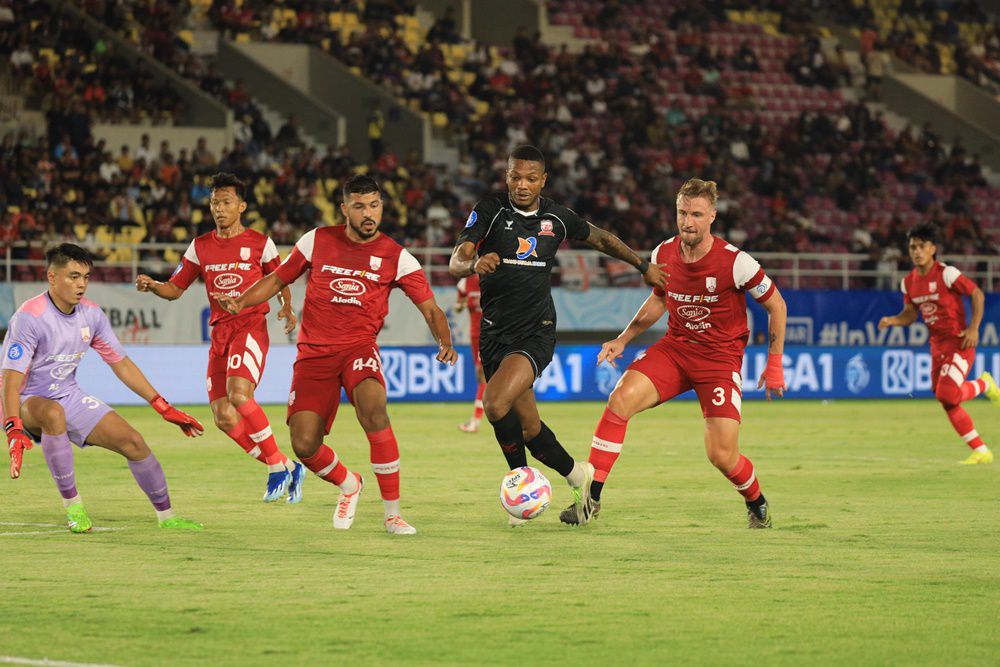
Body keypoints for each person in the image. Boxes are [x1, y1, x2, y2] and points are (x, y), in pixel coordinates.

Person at [214, 175, 458, 534]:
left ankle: (392, 514)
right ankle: (349, 484)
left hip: (359, 349)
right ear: (345, 209)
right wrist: (242, 300)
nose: (368, 213)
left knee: (374, 410)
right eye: (359, 206)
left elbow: (431, 308)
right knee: (304, 444)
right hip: (313, 356)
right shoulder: (317, 240)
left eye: (374, 205)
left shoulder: (396, 255)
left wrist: (445, 341)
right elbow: (278, 279)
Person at [448, 145, 666, 527]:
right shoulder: (490, 210)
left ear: (543, 180)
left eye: (531, 178)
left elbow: (600, 239)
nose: (522, 185)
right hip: (493, 334)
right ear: (507, 175)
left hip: (536, 333)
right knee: (529, 427)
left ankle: (520, 487)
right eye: (515, 176)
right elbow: (456, 259)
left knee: (496, 404)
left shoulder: (555, 217)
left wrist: (643, 265)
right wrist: (472, 264)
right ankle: (579, 476)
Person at [564, 178, 787, 529]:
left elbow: (776, 304)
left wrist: (774, 363)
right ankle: (590, 500)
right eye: (683, 213)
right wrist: (623, 339)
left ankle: (756, 501)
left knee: (721, 455)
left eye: (696, 214)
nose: (688, 222)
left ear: (712, 215)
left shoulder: (736, 263)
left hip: (718, 360)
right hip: (675, 350)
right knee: (620, 399)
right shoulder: (663, 253)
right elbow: (658, 300)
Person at [2, 244, 203, 532]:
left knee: (134, 442)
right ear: (52, 277)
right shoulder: (29, 316)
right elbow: (10, 379)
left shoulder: (92, 315)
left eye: (85, 277)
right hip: (23, 398)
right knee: (53, 414)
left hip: (67, 395)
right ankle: (74, 508)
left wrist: (162, 406)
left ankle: (168, 516)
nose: (81, 284)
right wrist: (13, 428)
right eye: (73, 276)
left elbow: (120, 363)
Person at [135, 172, 305, 503]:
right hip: (221, 334)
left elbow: (281, 279)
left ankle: (274, 468)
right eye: (214, 202)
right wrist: (154, 285)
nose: (219, 208)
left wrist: (286, 306)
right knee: (224, 417)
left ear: (241, 206)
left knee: (239, 395)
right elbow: (175, 289)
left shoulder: (260, 243)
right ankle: (287, 464)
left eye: (226, 202)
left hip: (250, 327)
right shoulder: (200, 247)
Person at [879, 222, 999, 465]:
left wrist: (974, 328)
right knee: (945, 398)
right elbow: (911, 315)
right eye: (913, 247)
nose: (916, 251)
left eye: (922, 246)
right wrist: (893, 320)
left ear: (933, 248)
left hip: (959, 343)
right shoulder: (908, 283)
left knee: (947, 393)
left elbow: (977, 294)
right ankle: (981, 450)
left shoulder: (947, 273)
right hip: (937, 347)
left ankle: (984, 385)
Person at [455, 273, 485, 433]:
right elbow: (458, 306)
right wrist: (460, 305)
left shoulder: (495, 277)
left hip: (492, 333)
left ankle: (475, 421)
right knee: (483, 376)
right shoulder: (464, 283)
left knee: (482, 374)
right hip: (474, 335)